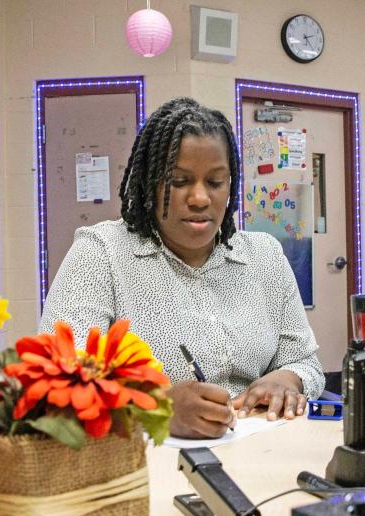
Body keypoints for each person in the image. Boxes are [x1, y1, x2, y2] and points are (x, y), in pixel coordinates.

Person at [40, 97, 325, 438]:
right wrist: (157, 407)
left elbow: (307, 364)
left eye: (216, 183)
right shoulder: (102, 254)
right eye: (179, 181)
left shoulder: (265, 256)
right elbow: (54, 383)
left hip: (257, 452)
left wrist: (287, 379)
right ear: (149, 183)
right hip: (144, 465)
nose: (201, 198)